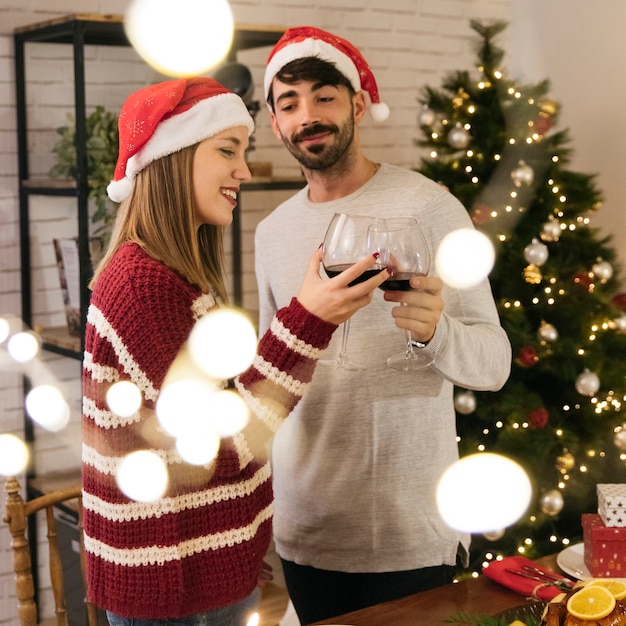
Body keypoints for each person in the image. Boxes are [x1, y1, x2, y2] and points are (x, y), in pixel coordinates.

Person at [81, 77, 389, 626]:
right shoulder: (142, 285)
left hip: (203, 569)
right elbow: (225, 445)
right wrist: (307, 320)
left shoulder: (172, 277)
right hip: (177, 587)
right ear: (173, 159)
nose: (244, 171)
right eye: (227, 150)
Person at [256, 27, 513, 625]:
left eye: (324, 96)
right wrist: (256, 513)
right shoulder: (271, 233)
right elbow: (271, 379)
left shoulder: (428, 208)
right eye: (288, 103)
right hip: (307, 525)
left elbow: (494, 363)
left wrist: (437, 331)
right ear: (274, 124)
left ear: (358, 104)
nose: (307, 116)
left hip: (408, 530)